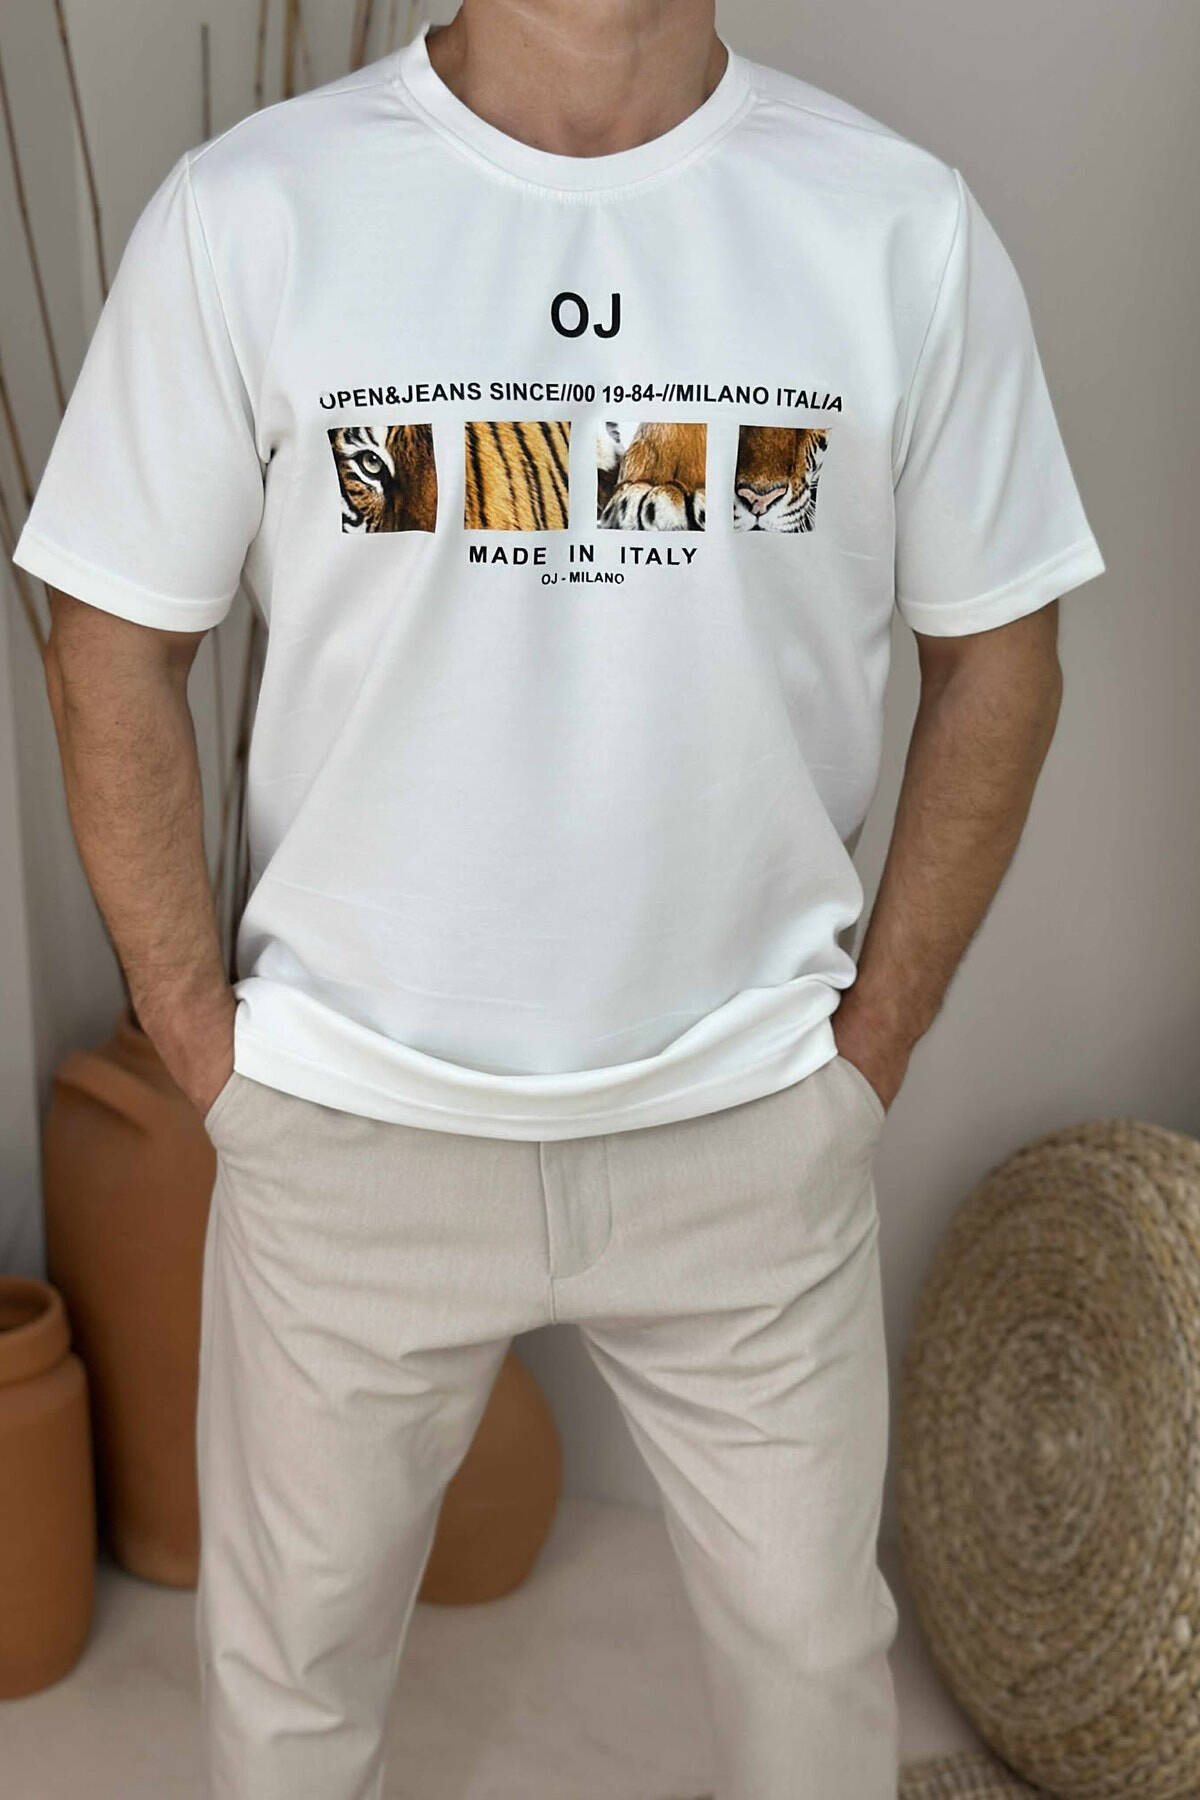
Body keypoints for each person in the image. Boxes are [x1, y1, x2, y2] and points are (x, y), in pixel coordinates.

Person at [13, 1, 1105, 1795]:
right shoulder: (256, 212)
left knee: (817, 1684)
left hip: (749, 1126)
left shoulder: (895, 224)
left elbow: (1005, 651)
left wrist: (873, 1045)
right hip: (351, 1127)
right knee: (289, 1702)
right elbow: (108, 640)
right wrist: (208, 1046)